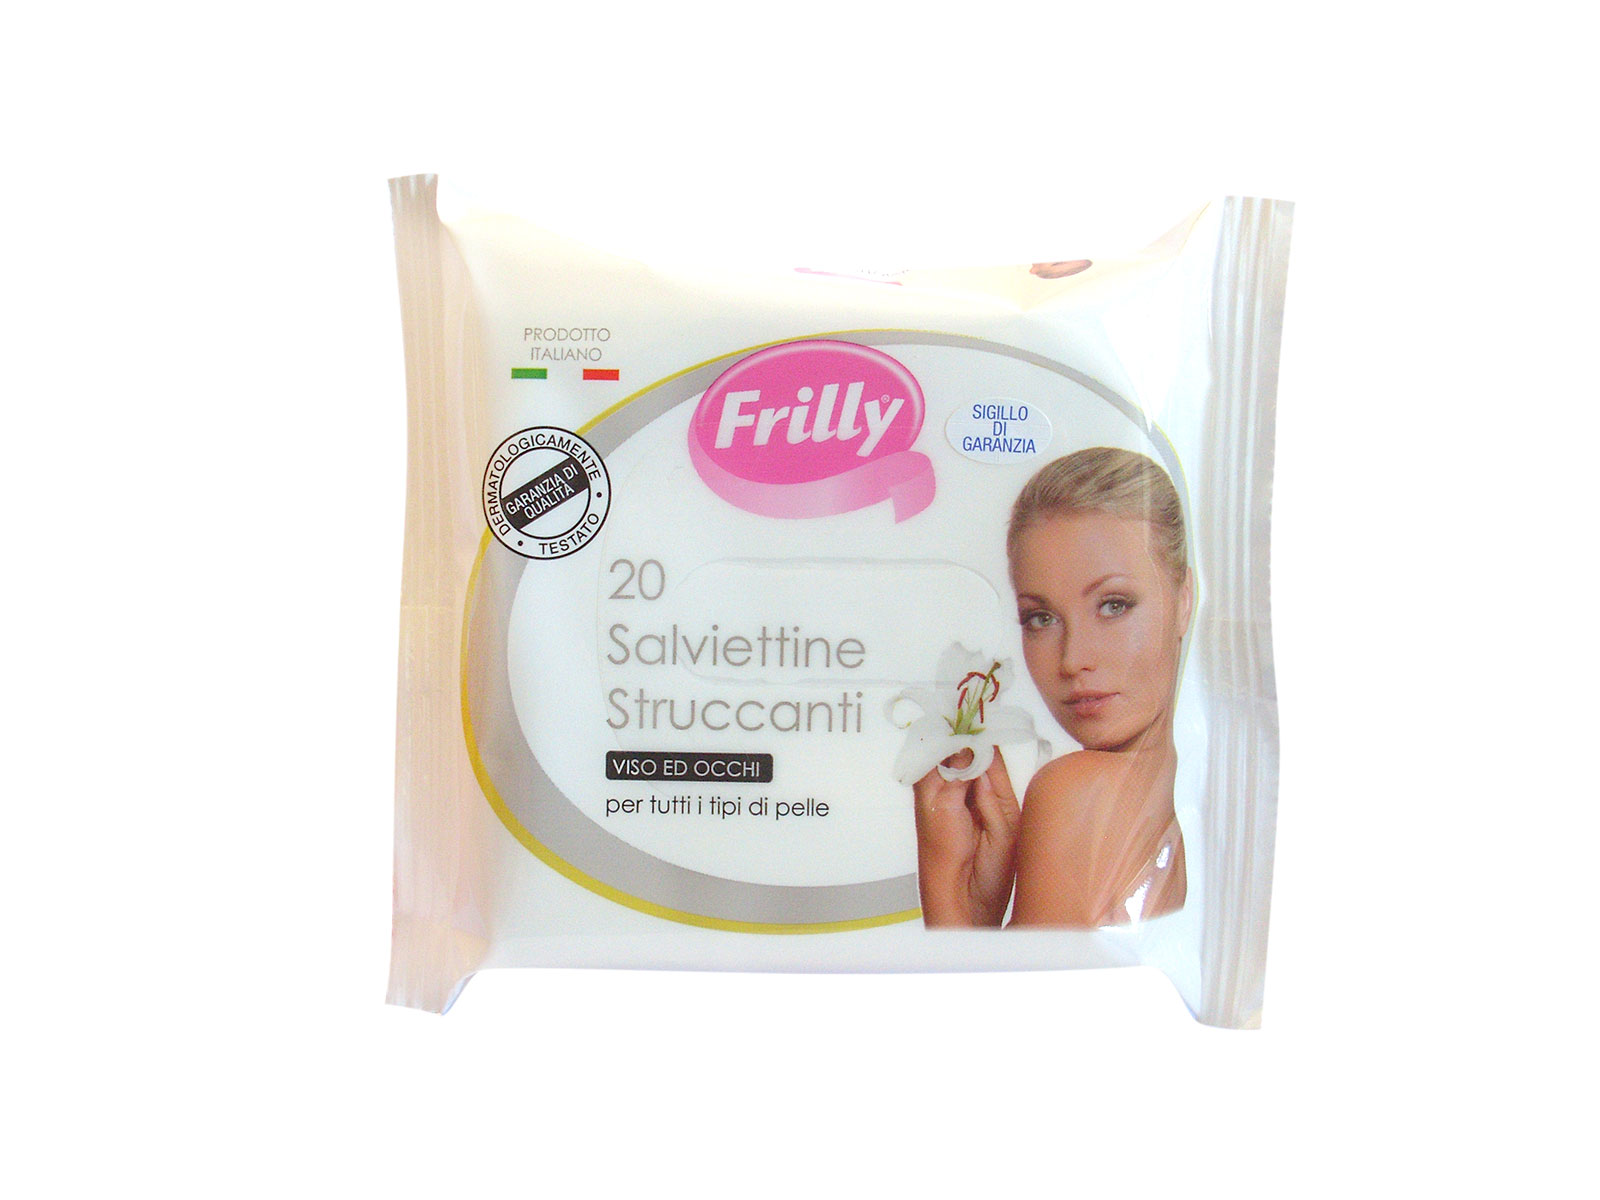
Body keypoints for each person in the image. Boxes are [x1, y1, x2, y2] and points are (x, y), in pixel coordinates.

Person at [912, 447, 1193, 928]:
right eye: (1041, 618)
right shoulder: (1186, 820)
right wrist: (972, 914)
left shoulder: (1078, 792)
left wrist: (947, 898)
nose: (1073, 659)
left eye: (1114, 605)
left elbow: (1036, 988)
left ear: (1184, 600)